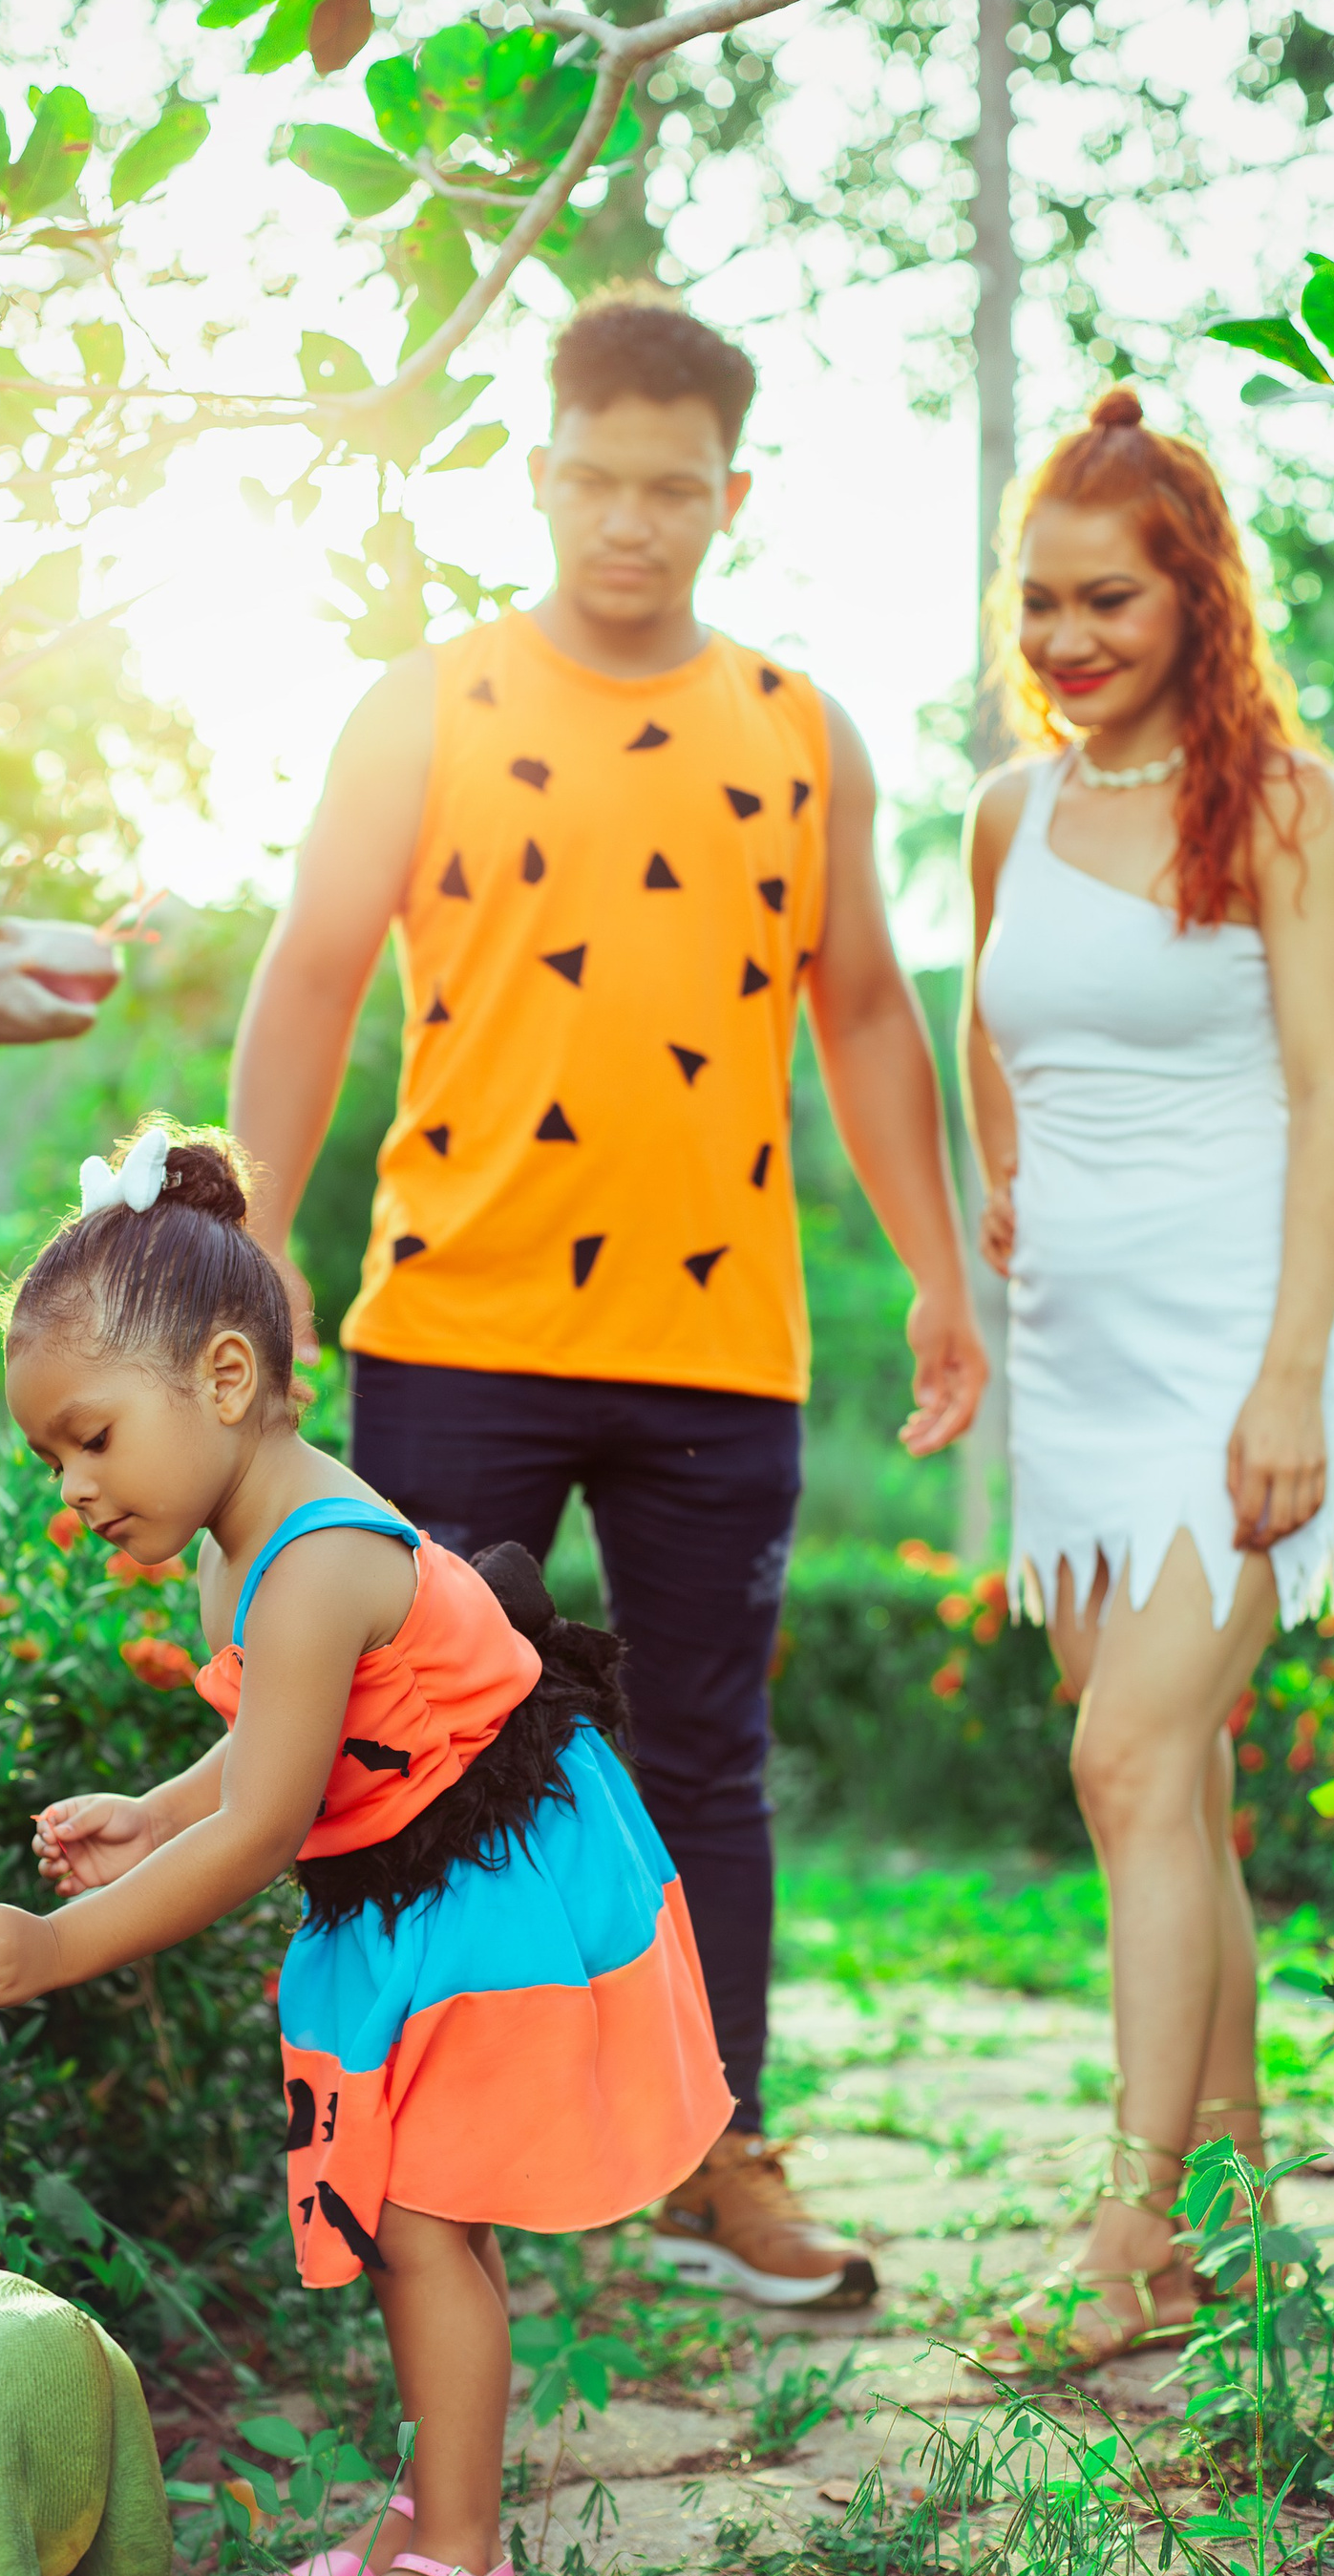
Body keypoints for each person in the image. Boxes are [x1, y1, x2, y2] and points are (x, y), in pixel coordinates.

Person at [227, 294, 985, 2310]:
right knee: (404, 1755)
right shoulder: (428, 704)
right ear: (540, 474)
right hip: (450, 1320)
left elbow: (866, 1010)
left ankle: (712, 2154)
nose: (631, 519)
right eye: (597, 478)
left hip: (715, 1344)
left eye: (674, 486)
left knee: (706, 1759)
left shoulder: (797, 727)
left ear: (727, 496)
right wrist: (247, 1241)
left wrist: (935, 1269)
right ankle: (395, 2160)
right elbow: (309, 970)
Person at [0, 1121, 732, 2576]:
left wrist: (59, 1947)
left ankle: (466, 2573)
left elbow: (272, 1823)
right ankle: (438, 2512)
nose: (72, 1490)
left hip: (493, 1884)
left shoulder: (307, 1558)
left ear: (224, 1380)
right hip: (420, 1873)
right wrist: (157, 1807)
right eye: (52, 1460)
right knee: (429, 2217)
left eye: (89, 1438)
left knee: (426, 2218)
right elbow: (286, 1741)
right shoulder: (245, 1543)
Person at [961, 389, 1334, 2369]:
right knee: (1169, 1795)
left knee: (1123, 1759)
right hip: (1076, 1369)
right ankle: (1229, 2220)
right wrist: (1008, 1185)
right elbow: (989, 1021)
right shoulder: (1006, 814)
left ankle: (1125, 2229)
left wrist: (1288, 1372)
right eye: (1034, 602)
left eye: (1102, 598)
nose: (1061, 640)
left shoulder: (1279, 800)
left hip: (1236, 1357)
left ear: (1191, 594)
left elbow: (1328, 1096)